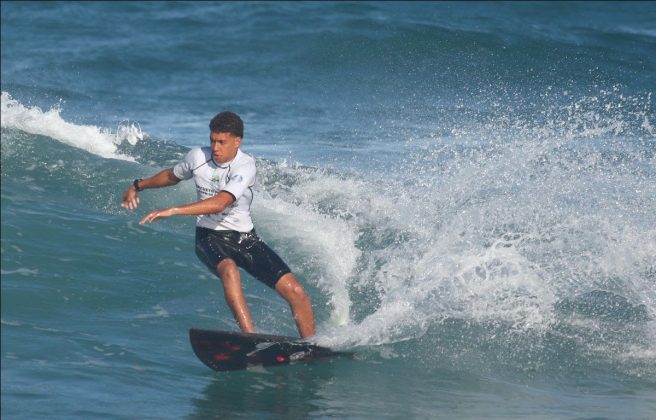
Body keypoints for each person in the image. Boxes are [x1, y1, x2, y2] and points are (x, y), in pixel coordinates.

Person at [121, 111, 316, 338]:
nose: (215, 148)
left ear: (237, 141)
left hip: (245, 238)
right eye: (212, 141)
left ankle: (311, 347)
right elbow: (171, 176)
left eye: (222, 142)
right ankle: (249, 338)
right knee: (229, 270)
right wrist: (137, 185)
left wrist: (174, 210)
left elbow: (221, 202)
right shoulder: (197, 157)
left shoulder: (245, 165)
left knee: (296, 291)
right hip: (209, 236)